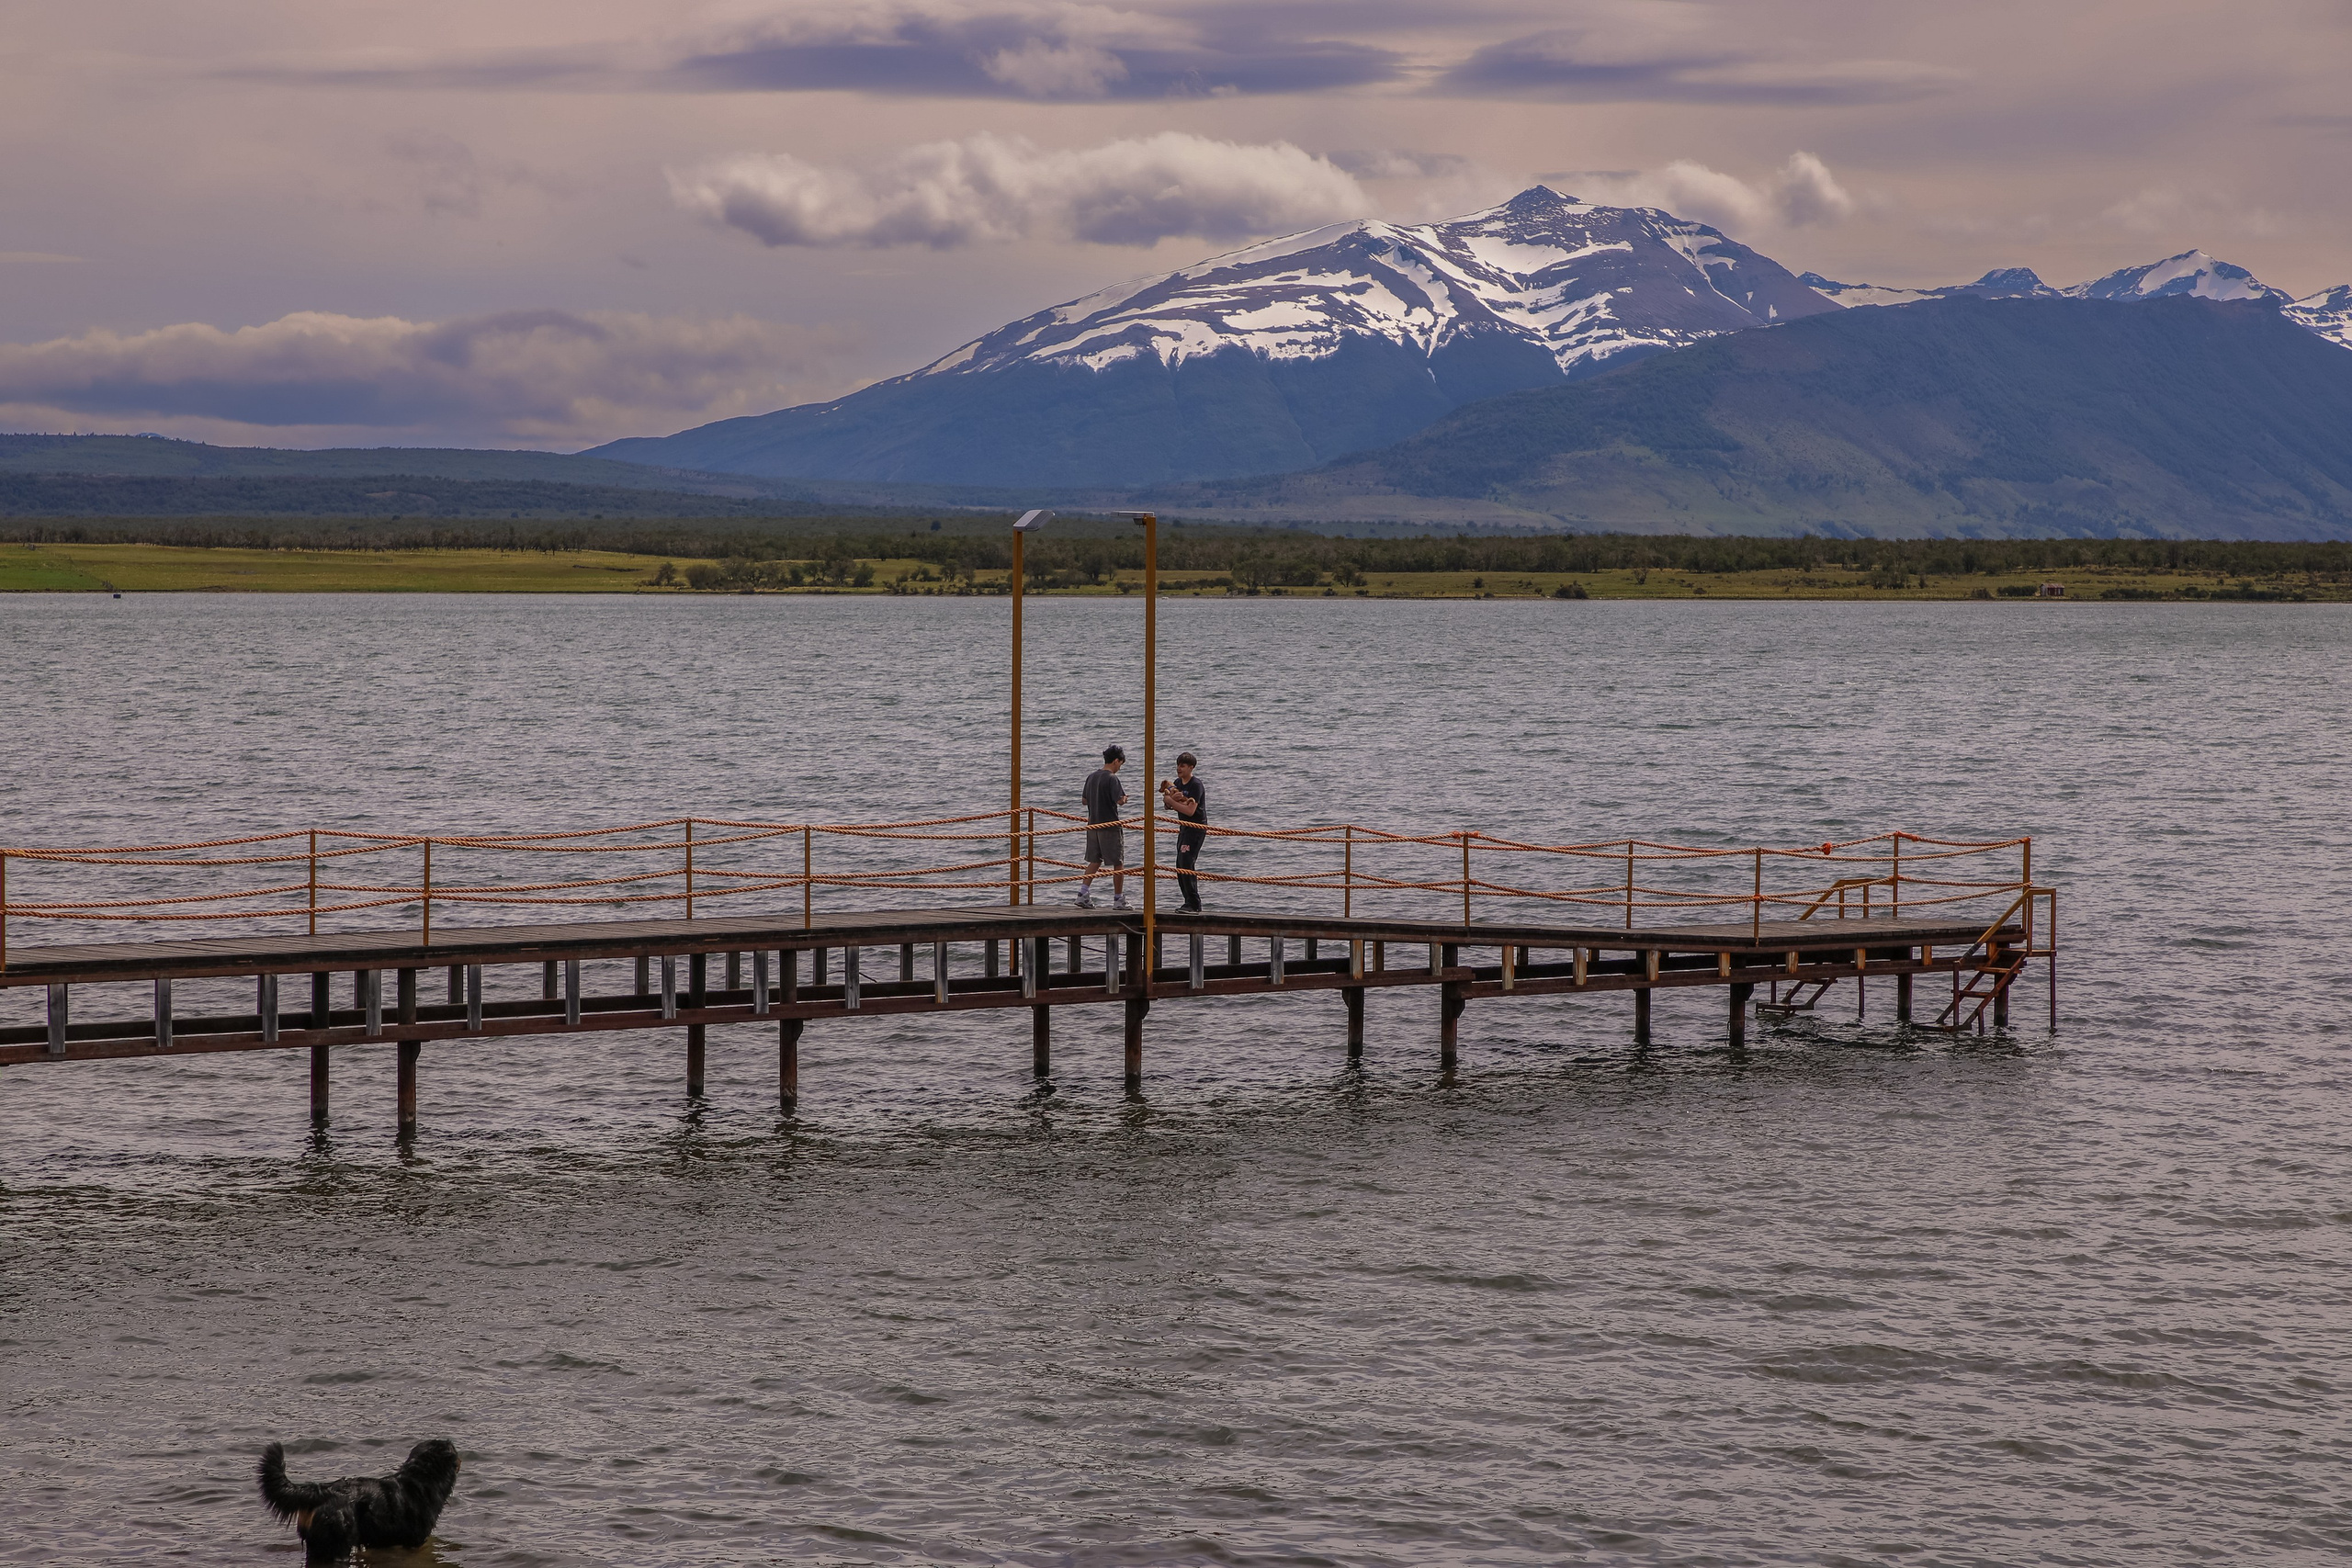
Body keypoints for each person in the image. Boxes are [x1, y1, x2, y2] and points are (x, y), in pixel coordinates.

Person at [1077, 744, 1128, 909]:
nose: (1119, 767)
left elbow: (1084, 800)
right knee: (1118, 862)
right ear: (1116, 761)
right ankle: (1118, 899)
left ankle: (1083, 893)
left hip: (1093, 825)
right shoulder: (1112, 778)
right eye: (1120, 763)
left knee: (1094, 860)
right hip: (1110, 826)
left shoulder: (1091, 776)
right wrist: (1125, 799)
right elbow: (1120, 800)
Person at [1160, 751, 1207, 911]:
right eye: (1178, 765)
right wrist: (1169, 800)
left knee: (1187, 861)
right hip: (1184, 828)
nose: (1179, 768)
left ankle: (1194, 903)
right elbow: (1168, 805)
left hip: (1196, 828)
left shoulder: (1196, 785)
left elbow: (1190, 811)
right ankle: (1188, 901)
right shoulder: (1177, 783)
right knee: (1180, 863)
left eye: (1183, 765)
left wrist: (1171, 802)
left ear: (1191, 767)